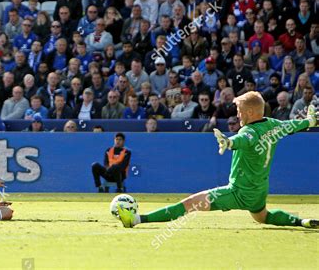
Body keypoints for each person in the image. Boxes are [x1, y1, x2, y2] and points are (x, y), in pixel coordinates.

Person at [118, 91, 319, 229]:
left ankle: (137, 219)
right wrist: (309, 121)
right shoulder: (275, 124)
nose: (237, 114)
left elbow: (243, 140)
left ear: (250, 112)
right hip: (259, 190)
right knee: (263, 216)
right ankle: (302, 222)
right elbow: (294, 125)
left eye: (240, 110)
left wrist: (228, 143)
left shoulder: (248, 130)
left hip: (238, 192)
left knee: (189, 204)